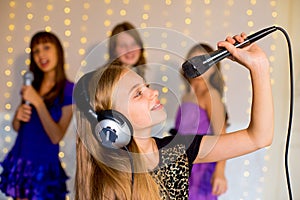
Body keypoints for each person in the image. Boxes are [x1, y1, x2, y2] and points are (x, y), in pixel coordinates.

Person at [74, 32, 274, 200]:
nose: (153, 92)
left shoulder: (176, 152)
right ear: (113, 122)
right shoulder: (112, 180)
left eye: (147, 86)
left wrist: (259, 68)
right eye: (138, 93)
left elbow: (258, 137)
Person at [0, 31, 74, 199]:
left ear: (58, 51)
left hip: (44, 165)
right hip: (21, 159)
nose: (41, 55)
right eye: (36, 51)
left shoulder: (69, 89)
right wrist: (18, 116)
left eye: (46, 47)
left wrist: (38, 103)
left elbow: (56, 136)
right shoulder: (31, 85)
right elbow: (18, 127)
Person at [174, 43, 229, 199]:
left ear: (213, 68)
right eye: (194, 60)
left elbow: (222, 135)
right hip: (184, 166)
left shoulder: (210, 94)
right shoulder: (186, 96)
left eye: (204, 61)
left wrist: (220, 171)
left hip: (202, 169)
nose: (197, 65)